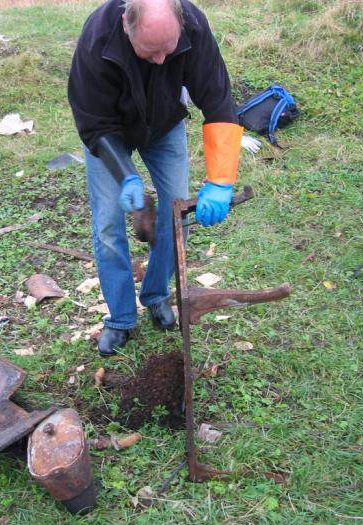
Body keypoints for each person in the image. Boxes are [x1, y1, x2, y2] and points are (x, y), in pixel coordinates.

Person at [68, 0, 243, 356]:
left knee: (176, 216)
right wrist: (126, 175)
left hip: (164, 124)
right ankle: (120, 318)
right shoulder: (97, 39)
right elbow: (93, 122)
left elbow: (218, 99)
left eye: (169, 49)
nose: (162, 60)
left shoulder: (192, 25)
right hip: (109, 134)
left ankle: (157, 294)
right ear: (125, 25)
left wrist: (221, 180)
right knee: (108, 224)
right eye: (150, 51)